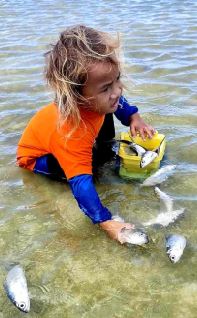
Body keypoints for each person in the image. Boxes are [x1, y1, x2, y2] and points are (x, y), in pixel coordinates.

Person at [16, 25, 155, 244]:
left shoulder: (100, 99)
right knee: (84, 171)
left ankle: (99, 153)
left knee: (107, 113)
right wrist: (106, 221)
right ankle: (88, 162)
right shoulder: (71, 133)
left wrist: (134, 118)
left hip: (78, 132)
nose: (117, 90)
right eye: (106, 88)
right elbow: (81, 185)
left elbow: (117, 102)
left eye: (116, 79)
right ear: (76, 96)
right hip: (38, 159)